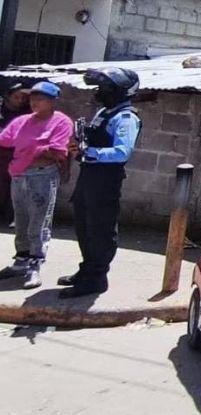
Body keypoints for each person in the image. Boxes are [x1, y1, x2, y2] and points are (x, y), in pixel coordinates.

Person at [60, 67, 141, 298]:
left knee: (101, 230)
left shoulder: (126, 118)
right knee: (84, 226)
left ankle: (96, 278)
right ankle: (86, 270)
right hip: (89, 176)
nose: (100, 91)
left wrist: (91, 152)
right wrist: (80, 149)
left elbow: (122, 152)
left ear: (120, 91)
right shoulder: (104, 112)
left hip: (105, 180)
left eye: (106, 88)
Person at [0, 82, 73, 289]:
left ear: (52, 102)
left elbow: (58, 151)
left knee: (38, 223)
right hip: (19, 175)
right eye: (32, 98)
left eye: (39, 99)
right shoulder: (22, 121)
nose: (33, 102)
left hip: (41, 177)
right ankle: (21, 261)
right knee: (20, 220)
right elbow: (4, 140)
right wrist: (38, 150)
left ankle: (35, 266)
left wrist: (35, 152)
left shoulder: (61, 122)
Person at [0, 83, 32, 228]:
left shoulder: (27, 113)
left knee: (17, 186)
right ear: (8, 96)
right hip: (2, 154)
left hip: (17, 154)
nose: (20, 100)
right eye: (16, 97)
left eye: (23, 97)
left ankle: (13, 217)